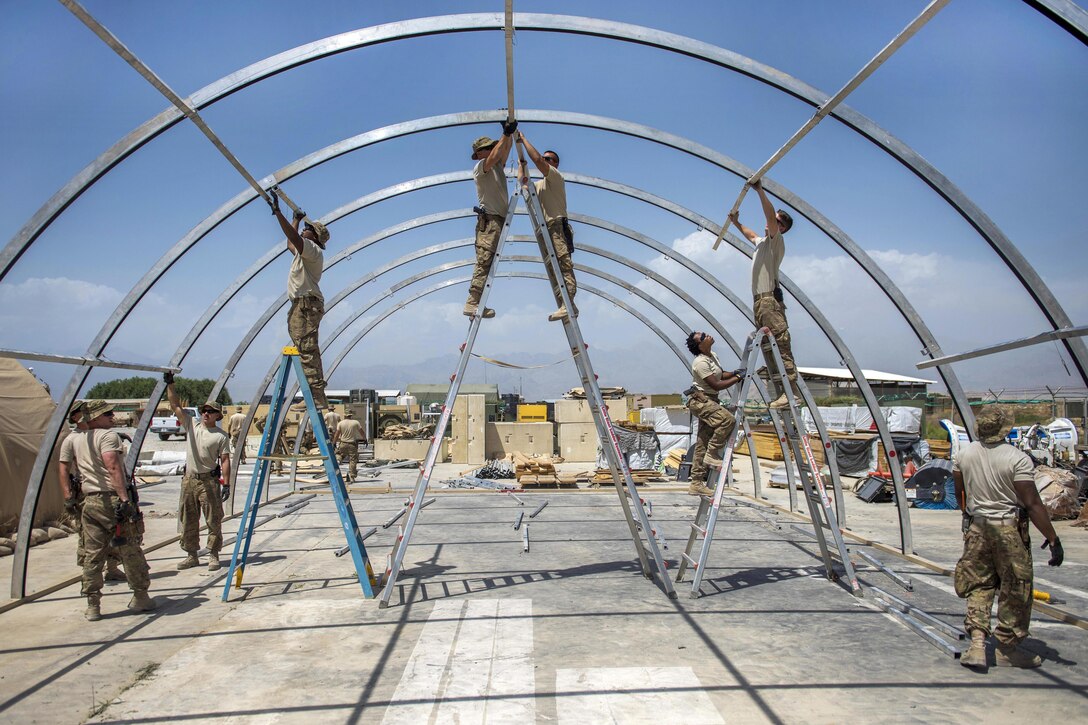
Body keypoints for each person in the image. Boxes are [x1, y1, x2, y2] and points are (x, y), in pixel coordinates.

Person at [954, 405, 1063, 671]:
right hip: (1008, 531)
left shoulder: (963, 455)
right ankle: (1006, 646)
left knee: (979, 584)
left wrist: (971, 517)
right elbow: (1032, 503)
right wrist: (1052, 538)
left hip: (977, 529)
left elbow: (960, 495)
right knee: (1016, 588)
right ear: (1005, 429)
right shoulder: (1017, 459)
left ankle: (978, 644)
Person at [58, 400, 154, 621]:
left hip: (89, 502)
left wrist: (68, 497)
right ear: (94, 418)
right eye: (107, 414)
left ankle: (93, 604)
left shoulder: (75, 439)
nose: (112, 416)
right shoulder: (108, 437)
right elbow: (112, 466)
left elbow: (63, 467)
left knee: (93, 554)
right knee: (130, 549)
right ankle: (141, 596)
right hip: (111, 501)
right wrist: (123, 499)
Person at [727, 179, 795, 409]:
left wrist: (760, 191)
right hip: (760, 302)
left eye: (776, 221)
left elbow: (768, 217)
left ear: (781, 228)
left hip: (769, 301)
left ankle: (790, 393)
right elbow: (750, 235)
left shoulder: (777, 240)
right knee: (769, 348)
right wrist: (736, 223)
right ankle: (781, 394)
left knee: (781, 346)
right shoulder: (763, 243)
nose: (771, 223)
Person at [165, 373, 231, 572]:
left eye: (211, 411)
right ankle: (191, 554)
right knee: (188, 519)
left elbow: (225, 460)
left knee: (213, 519)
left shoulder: (220, 436)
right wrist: (171, 384)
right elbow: (175, 405)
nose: (206, 413)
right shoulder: (192, 425)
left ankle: (213, 554)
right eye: (204, 410)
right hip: (189, 480)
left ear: (218, 416)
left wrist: (226, 484)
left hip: (208, 481)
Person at [270, 195, 330, 409]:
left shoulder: (312, 250)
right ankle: (315, 396)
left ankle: (315, 398)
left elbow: (293, 238)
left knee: (306, 349)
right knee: (305, 347)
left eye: (307, 228)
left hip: (307, 305)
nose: (304, 229)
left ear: (314, 237)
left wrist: (278, 213)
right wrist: (294, 219)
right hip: (303, 304)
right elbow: (290, 243)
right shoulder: (303, 254)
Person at [517, 132, 577, 321]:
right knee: (554, 269)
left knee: (563, 265)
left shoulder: (556, 177)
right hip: (545, 229)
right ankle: (567, 306)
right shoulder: (540, 185)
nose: (544, 160)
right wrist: (521, 163)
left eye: (548, 159)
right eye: (544, 158)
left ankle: (567, 304)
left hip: (557, 226)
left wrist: (523, 139)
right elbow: (523, 183)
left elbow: (536, 160)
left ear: (556, 164)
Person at [464, 120, 517, 319]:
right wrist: (504, 134)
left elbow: (502, 152)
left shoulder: (496, 168)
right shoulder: (481, 167)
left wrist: (509, 135)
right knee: (484, 261)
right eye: (488, 148)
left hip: (498, 220)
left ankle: (476, 305)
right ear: (479, 154)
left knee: (489, 264)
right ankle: (472, 303)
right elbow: (497, 154)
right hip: (490, 221)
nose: (492, 150)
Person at [683, 331, 744, 496]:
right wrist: (738, 378)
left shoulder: (712, 356)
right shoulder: (700, 362)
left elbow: (719, 374)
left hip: (710, 401)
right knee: (728, 421)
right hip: (701, 401)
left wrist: (733, 373)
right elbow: (716, 384)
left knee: (702, 441)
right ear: (700, 346)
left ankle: (696, 483)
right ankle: (713, 453)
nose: (707, 336)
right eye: (702, 337)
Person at [334, 411, 366, 483]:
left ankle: (339, 460)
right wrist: (365, 439)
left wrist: (334, 443)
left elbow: (336, 434)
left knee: (339, 454)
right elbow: (362, 432)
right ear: (351, 415)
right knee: (353, 460)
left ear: (345, 416)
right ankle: (352, 477)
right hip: (352, 444)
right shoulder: (355, 422)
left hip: (343, 443)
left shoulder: (340, 423)